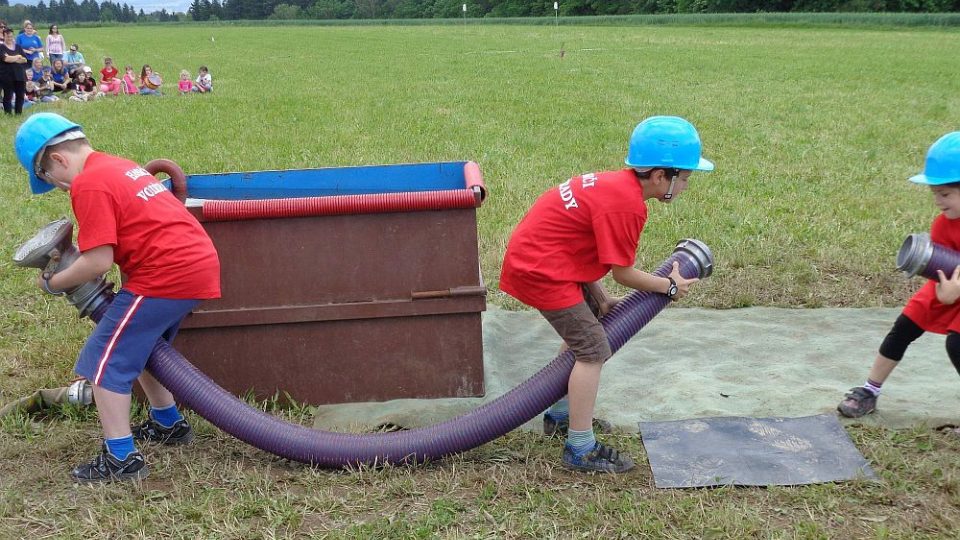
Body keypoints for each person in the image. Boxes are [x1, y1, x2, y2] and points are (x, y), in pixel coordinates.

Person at [14, 113, 221, 483]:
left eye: (47, 178)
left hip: (165, 275)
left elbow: (97, 261)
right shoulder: (117, 166)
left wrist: (54, 282)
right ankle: (168, 423)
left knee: (105, 364)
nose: (57, 187)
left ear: (57, 159)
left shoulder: (88, 184)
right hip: (195, 265)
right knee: (140, 349)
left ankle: (122, 458)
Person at [499, 116, 713, 474]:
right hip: (541, 271)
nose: (688, 185)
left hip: (546, 261)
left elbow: (583, 251)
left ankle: (561, 416)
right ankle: (580, 448)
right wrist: (670, 285)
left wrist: (598, 300)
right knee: (593, 349)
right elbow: (624, 273)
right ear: (662, 176)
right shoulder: (627, 205)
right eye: (686, 178)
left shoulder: (615, 185)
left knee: (582, 333)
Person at [838, 132, 960, 419]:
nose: (938, 202)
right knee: (903, 327)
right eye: (935, 194)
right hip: (946, 282)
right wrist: (940, 286)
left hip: (954, 286)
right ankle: (870, 390)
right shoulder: (942, 224)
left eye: (945, 194)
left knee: (956, 343)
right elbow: (942, 263)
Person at [0, 26, 29, 114]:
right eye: (8, 36)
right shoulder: (1, 47)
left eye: (11, 36)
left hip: (20, 75)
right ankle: (8, 113)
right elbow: (6, 59)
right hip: (7, 75)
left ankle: (18, 113)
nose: (10, 38)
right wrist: (17, 57)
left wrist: (13, 58)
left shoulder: (18, 47)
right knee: (8, 96)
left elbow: (25, 60)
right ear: (3, 36)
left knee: (20, 96)